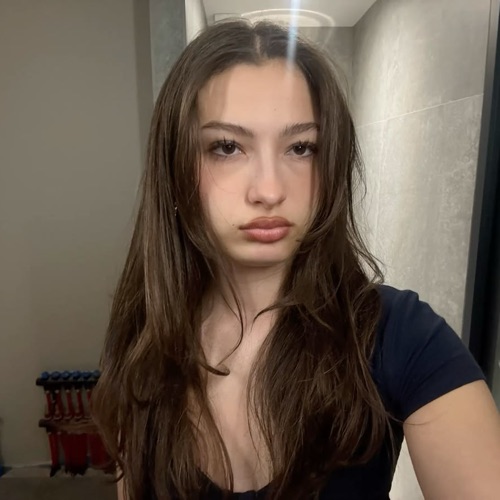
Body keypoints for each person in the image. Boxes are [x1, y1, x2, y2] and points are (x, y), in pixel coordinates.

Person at [92, 20, 500, 500]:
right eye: (227, 147)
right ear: (175, 165)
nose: (269, 190)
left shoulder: (399, 335)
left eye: (301, 148)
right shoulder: (146, 341)